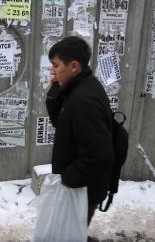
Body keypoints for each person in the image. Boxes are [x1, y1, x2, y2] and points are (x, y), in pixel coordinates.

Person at [46, 36, 114, 228]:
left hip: (82, 191)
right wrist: (54, 93)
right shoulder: (80, 87)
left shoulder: (83, 101)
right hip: (80, 187)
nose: (52, 71)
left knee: (69, 234)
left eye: (56, 65)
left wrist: (67, 178)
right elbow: (61, 123)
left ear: (74, 67)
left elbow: (100, 156)